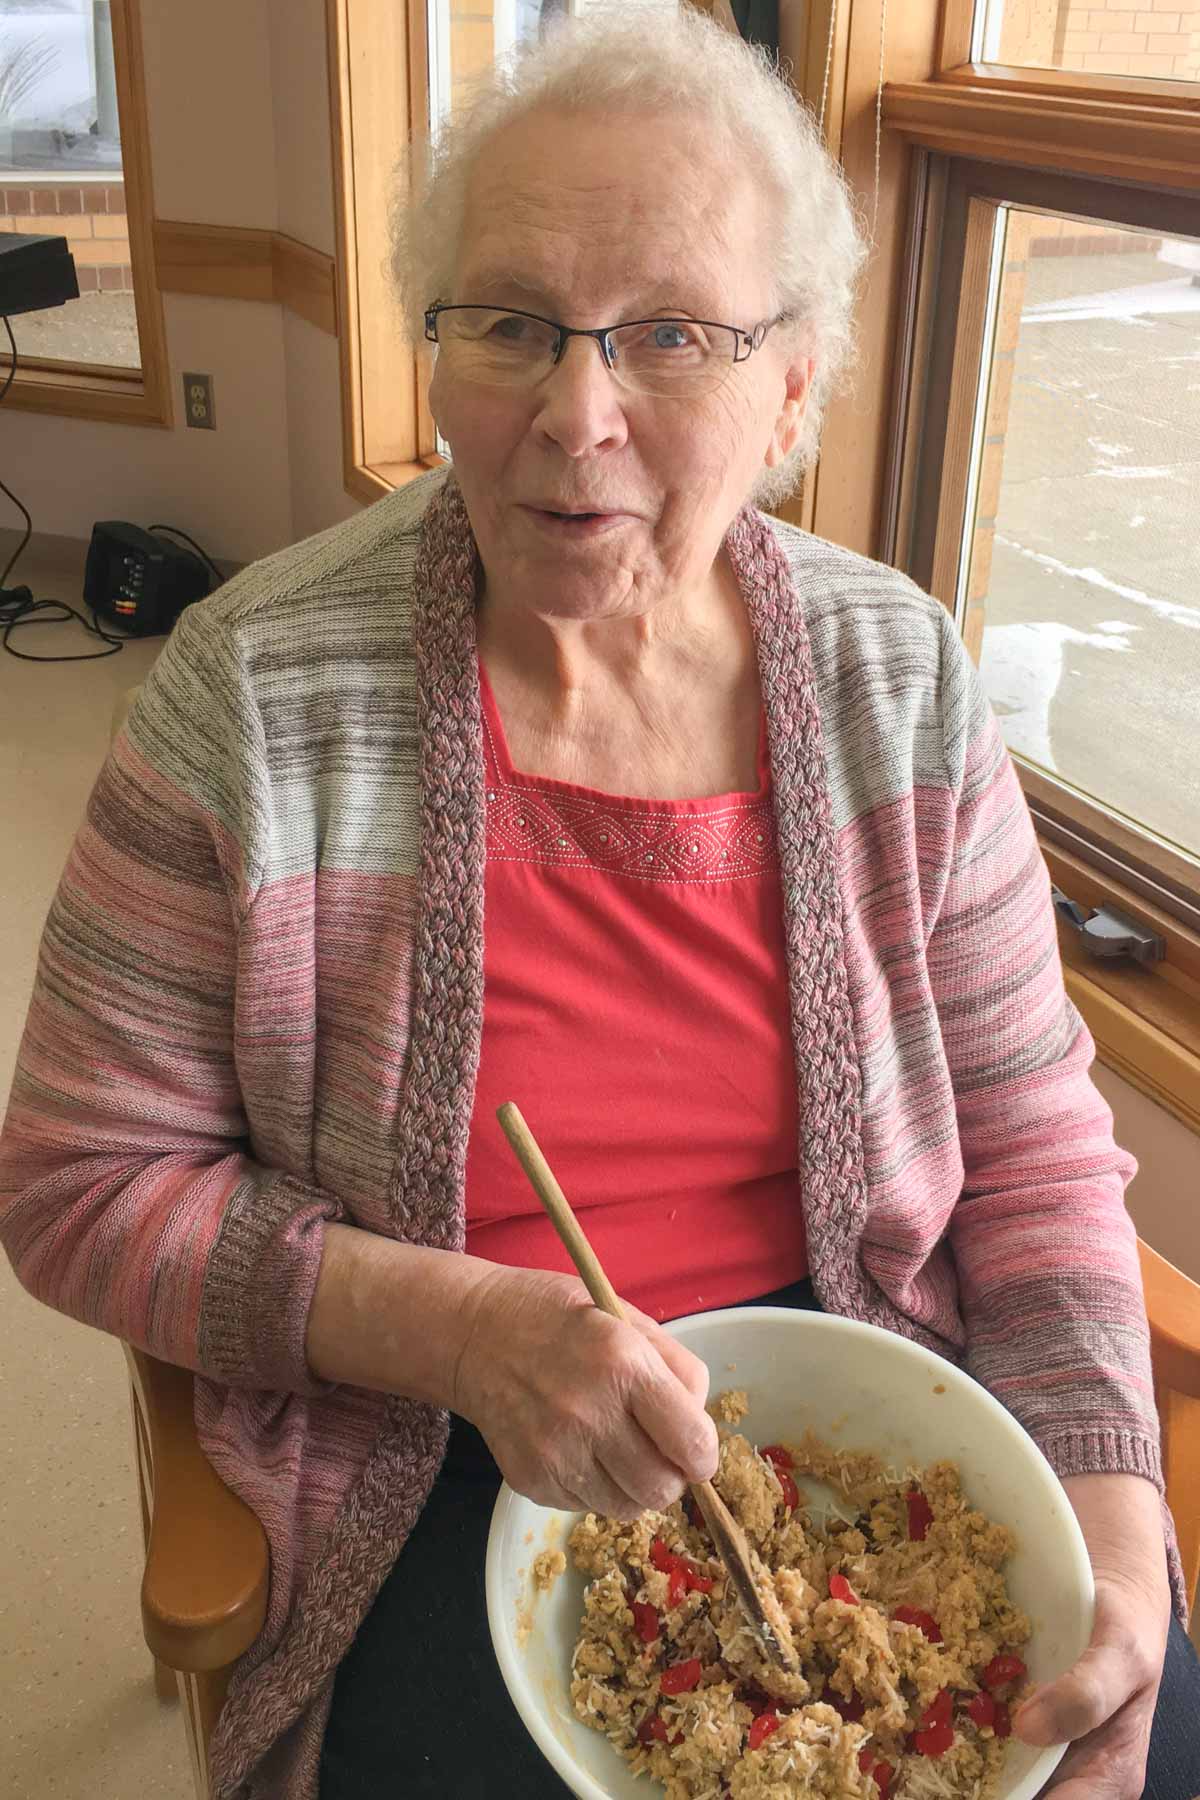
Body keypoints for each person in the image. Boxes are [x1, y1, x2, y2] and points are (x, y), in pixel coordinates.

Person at [0, 10, 1196, 1799]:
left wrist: (1110, 1524)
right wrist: (468, 1331)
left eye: (673, 334)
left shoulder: (900, 681)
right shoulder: (255, 693)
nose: (577, 411)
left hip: (871, 1411)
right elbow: (77, 1188)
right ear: (440, 348)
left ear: (794, 390)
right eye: (511, 321)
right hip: (434, 1444)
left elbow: (1027, 1145)